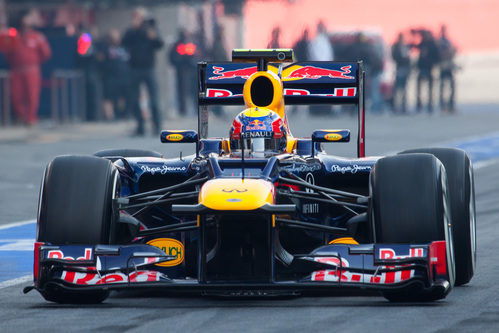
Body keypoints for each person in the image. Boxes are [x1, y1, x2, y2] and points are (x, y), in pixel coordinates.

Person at [5, 9, 51, 126]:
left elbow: (46, 53)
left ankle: (30, 119)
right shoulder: (14, 36)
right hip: (16, 70)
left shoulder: (37, 36)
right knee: (16, 95)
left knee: (32, 95)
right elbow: (7, 52)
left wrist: (34, 62)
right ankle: (20, 116)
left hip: (31, 70)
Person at [122, 7, 164, 136]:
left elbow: (160, 44)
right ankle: (140, 126)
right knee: (134, 98)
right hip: (134, 67)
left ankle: (157, 126)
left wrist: (153, 37)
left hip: (148, 67)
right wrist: (133, 29)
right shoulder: (131, 31)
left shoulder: (150, 29)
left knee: (154, 98)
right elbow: (123, 43)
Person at [99, 29, 130, 120]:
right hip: (109, 76)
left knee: (123, 97)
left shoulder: (124, 47)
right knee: (108, 96)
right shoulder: (105, 47)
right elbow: (101, 60)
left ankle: (122, 114)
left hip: (123, 76)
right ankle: (110, 116)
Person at [169, 29, 198, 117]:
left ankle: (189, 108)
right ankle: (183, 109)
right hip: (182, 70)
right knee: (182, 90)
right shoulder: (178, 45)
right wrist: (178, 63)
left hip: (189, 70)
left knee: (191, 90)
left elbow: (193, 55)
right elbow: (172, 57)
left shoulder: (189, 43)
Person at [308, 21, 334, 115]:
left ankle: (325, 110)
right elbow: (315, 55)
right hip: (319, 69)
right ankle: (317, 110)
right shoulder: (316, 40)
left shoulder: (325, 40)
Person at [413, 29, 440, 113]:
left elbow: (437, 57)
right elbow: (414, 46)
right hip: (421, 68)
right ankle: (419, 105)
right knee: (419, 89)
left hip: (429, 68)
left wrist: (429, 61)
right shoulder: (422, 44)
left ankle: (430, 105)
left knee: (430, 89)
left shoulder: (432, 45)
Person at [438, 25, 457, 113]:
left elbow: (453, 51)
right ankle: (443, 106)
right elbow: (439, 54)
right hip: (443, 67)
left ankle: (451, 105)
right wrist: (447, 53)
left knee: (451, 86)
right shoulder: (439, 42)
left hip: (449, 66)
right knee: (442, 87)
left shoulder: (448, 41)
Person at [391, 32, 411, 114]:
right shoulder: (396, 47)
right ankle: (395, 106)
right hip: (399, 68)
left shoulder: (406, 46)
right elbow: (394, 57)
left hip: (405, 68)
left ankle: (403, 106)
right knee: (397, 88)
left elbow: (408, 58)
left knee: (404, 88)